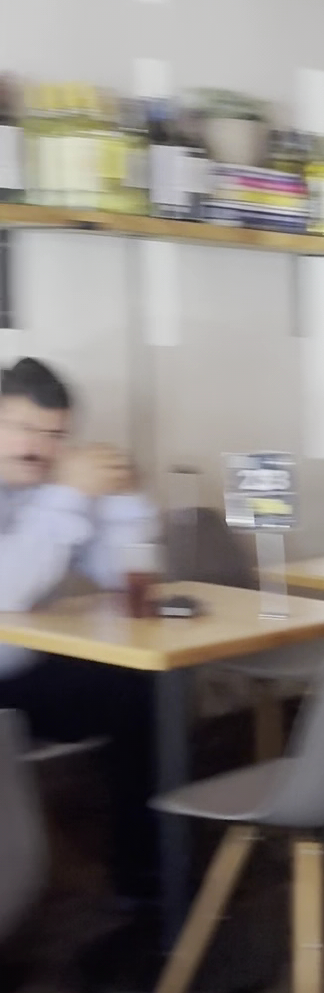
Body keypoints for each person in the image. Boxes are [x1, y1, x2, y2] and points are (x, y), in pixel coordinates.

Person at [0, 357, 160, 902]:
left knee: (141, 690)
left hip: (23, 669)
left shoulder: (45, 488)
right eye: (22, 428)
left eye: (54, 435)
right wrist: (67, 494)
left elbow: (119, 574)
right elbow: (7, 593)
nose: (38, 448)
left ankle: (149, 876)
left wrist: (124, 499)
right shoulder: (55, 493)